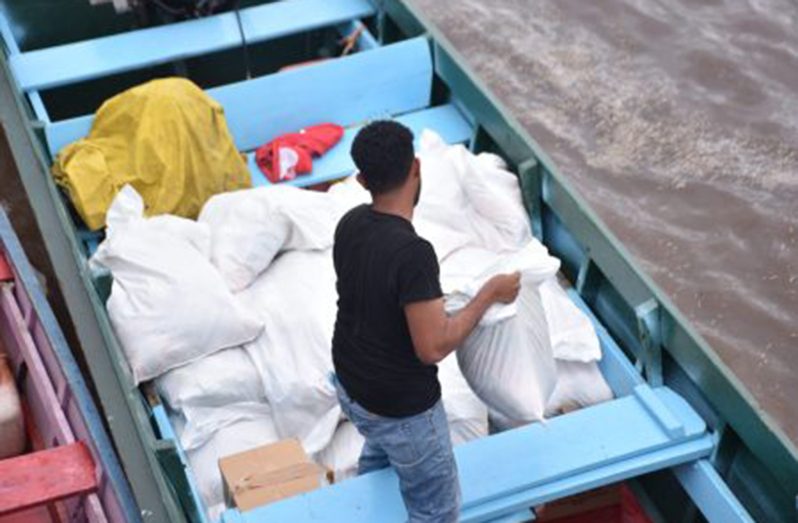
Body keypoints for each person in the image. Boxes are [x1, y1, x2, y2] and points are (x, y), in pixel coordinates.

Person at [331, 120, 521, 522]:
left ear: (363, 180)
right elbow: (432, 347)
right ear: (416, 167)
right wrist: (490, 294)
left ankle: (376, 487)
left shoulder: (350, 224)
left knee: (382, 450)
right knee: (438, 511)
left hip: (352, 388)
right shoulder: (412, 253)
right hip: (400, 410)